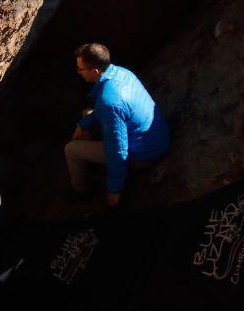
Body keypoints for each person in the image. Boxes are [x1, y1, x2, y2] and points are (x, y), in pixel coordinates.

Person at [65, 43, 169, 207]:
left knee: (71, 150)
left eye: (80, 69)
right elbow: (104, 110)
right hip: (156, 137)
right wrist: (83, 124)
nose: (78, 72)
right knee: (87, 114)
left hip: (144, 154)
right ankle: (91, 162)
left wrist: (114, 191)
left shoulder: (109, 102)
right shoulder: (121, 73)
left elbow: (118, 151)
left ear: (95, 72)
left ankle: (82, 190)